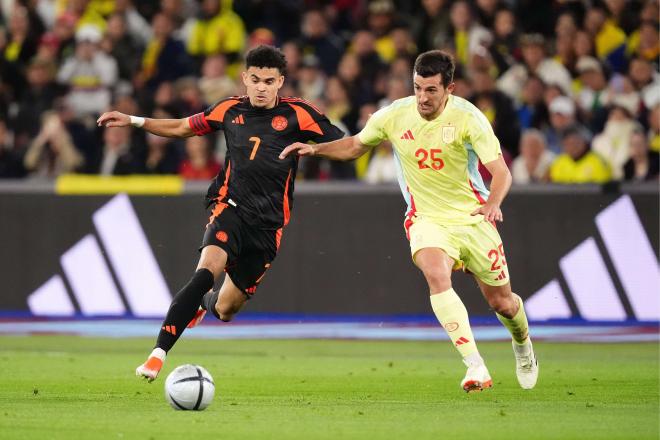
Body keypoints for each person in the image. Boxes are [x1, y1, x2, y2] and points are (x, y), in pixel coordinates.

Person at [280, 50, 538, 393]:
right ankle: (475, 366)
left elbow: (501, 173)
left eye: (431, 90)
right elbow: (356, 145)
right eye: (417, 87)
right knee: (435, 273)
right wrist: (316, 149)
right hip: (426, 218)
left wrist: (492, 203)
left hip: (473, 217)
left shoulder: (469, 118)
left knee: (502, 303)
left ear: (450, 88)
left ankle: (522, 345)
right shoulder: (395, 115)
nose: (422, 97)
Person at [97, 45, 344, 381]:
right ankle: (157, 354)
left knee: (225, 309)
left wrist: (321, 146)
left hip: (268, 228)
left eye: (268, 81)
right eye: (254, 79)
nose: (260, 87)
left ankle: (204, 305)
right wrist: (134, 120)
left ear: (280, 82)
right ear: (244, 78)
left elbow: (347, 145)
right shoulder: (229, 109)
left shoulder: (300, 114)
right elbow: (184, 127)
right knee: (205, 272)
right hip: (230, 207)